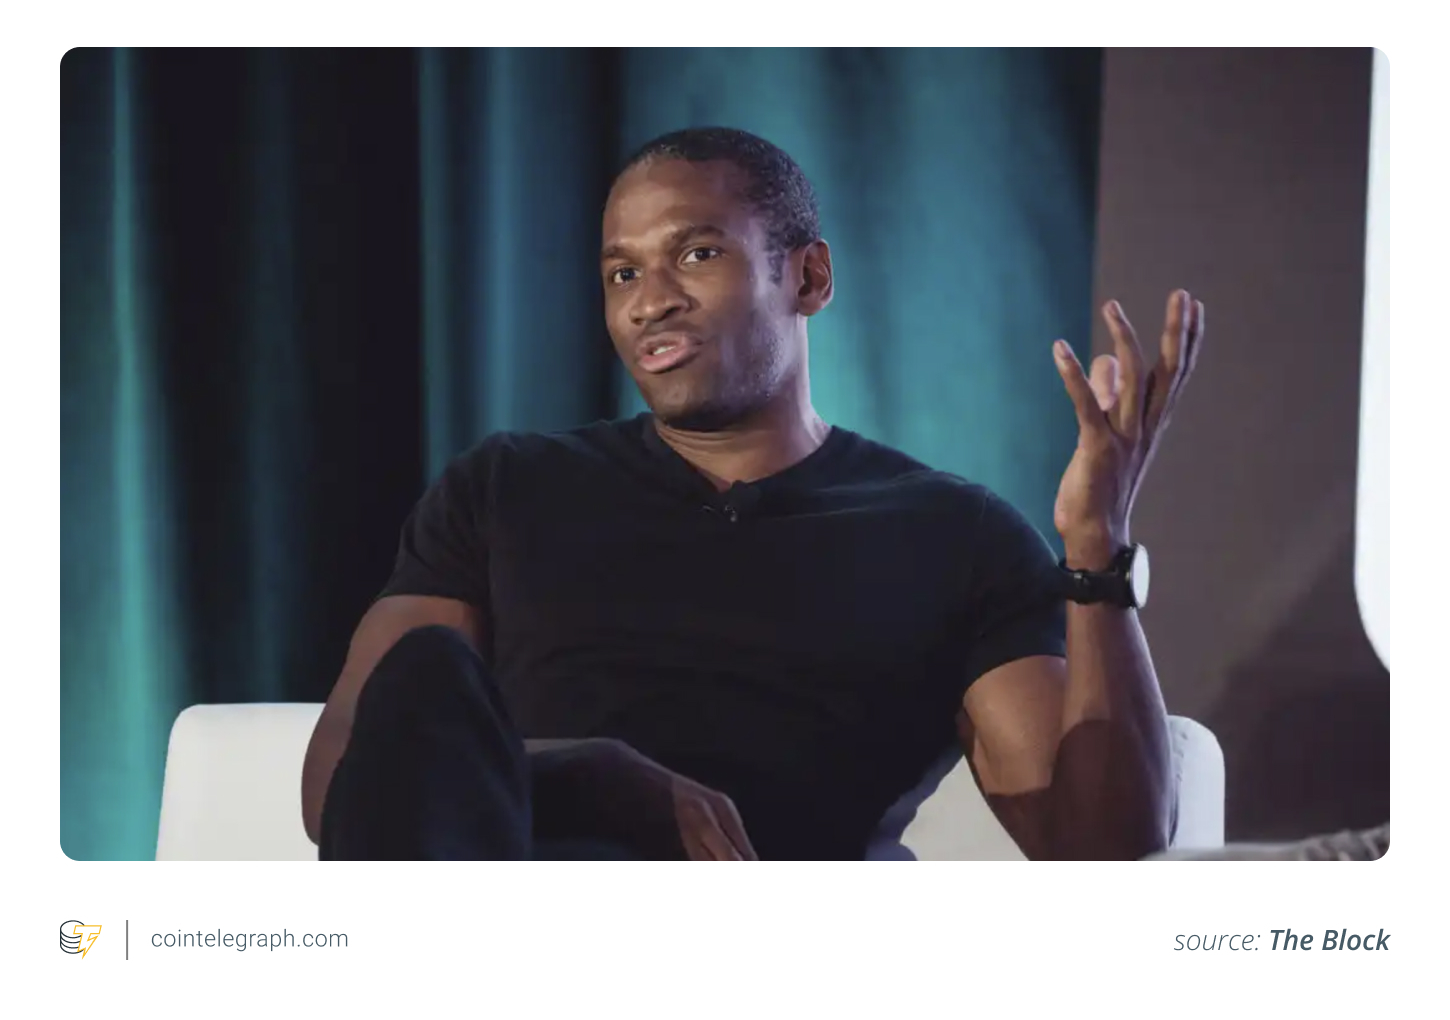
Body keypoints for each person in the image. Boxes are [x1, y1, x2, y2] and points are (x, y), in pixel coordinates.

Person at [300, 126, 1206, 861]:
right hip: (510, 921)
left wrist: (1097, 545)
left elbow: (1104, 851)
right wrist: (594, 773)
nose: (650, 301)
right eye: (622, 274)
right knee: (424, 672)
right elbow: (348, 776)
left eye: (696, 253)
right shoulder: (505, 487)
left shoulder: (952, 532)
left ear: (807, 277)